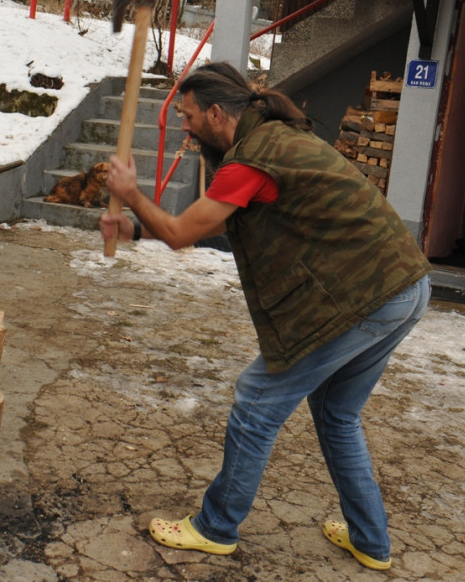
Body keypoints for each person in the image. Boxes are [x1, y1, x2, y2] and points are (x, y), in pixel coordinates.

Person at [99, 61, 431, 571]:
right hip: (403, 285)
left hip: (363, 294)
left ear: (215, 113)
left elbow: (184, 232)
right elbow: (215, 223)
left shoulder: (251, 161)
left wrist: (132, 195)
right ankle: (370, 539)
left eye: (187, 116)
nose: (183, 129)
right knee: (337, 415)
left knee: (257, 401)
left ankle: (216, 527)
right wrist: (138, 232)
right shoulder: (271, 141)